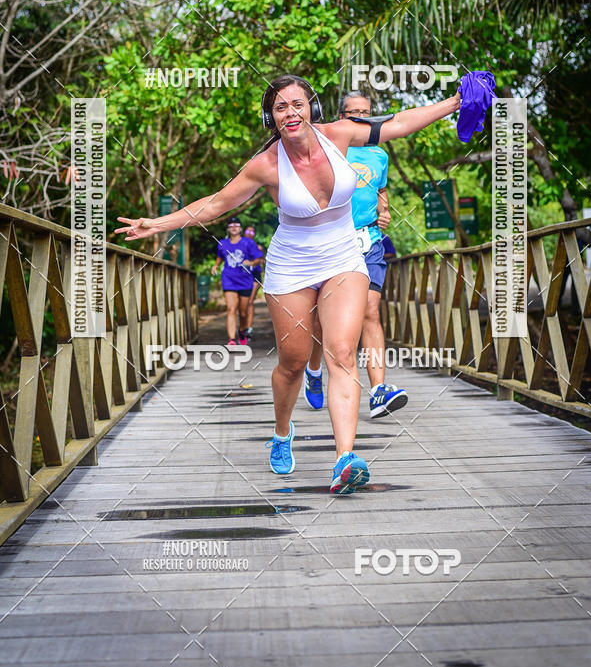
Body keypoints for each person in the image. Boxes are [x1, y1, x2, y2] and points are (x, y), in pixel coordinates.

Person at [116, 74, 460, 494]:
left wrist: (455, 102)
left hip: (343, 256)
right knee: (293, 362)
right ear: (272, 117)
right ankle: (282, 432)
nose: (290, 112)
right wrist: (157, 225)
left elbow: (400, 123)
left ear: (311, 108)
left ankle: (345, 459)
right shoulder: (266, 165)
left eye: (297, 104)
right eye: (281, 107)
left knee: (341, 354)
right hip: (292, 264)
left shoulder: (341, 134)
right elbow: (215, 205)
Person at [304, 91, 408, 420]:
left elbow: (380, 189)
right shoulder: (328, 148)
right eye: (353, 113)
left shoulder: (379, 155)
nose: (360, 117)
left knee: (370, 311)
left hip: (369, 240)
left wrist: (384, 209)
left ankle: (378, 390)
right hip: (332, 241)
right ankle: (314, 368)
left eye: (365, 112)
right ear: (340, 116)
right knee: (323, 318)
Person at [210, 217, 262, 346]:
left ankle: (242, 330)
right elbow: (220, 256)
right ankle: (231, 339)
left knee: (243, 313)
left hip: (245, 280)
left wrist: (250, 262)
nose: (234, 227)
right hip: (229, 279)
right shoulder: (222, 243)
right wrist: (216, 265)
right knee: (231, 309)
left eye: (236, 225)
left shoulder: (248, 243)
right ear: (228, 229)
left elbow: (258, 259)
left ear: (240, 228)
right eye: (231, 225)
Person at [242, 224, 265, 338]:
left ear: (254, 235)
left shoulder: (257, 247)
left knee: (250, 301)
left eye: (252, 232)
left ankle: (248, 328)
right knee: (242, 304)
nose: (249, 234)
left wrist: (253, 262)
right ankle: (243, 326)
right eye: (248, 231)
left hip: (254, 275)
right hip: (242, 276)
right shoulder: (239, 244)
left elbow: (262, 259)